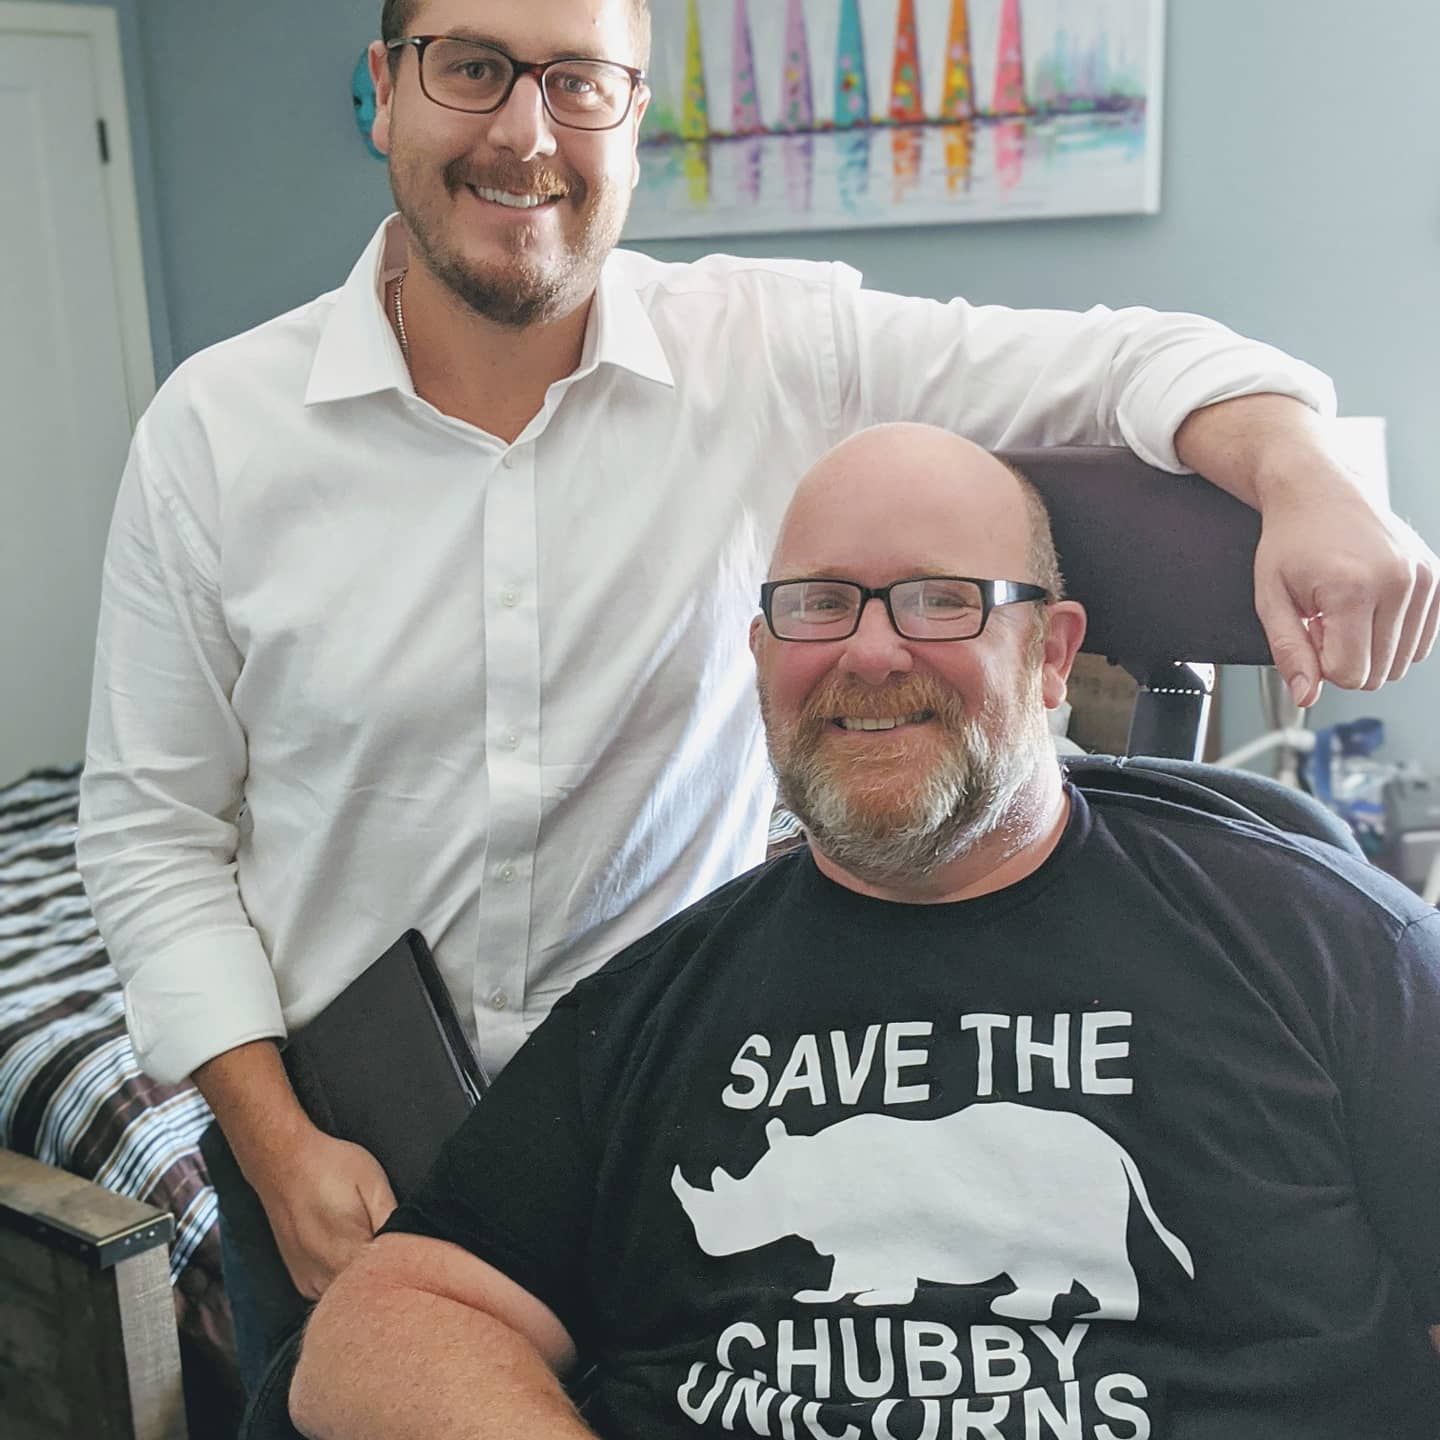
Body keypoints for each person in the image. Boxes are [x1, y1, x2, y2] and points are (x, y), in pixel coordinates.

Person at [78, 0, 1438, 1397]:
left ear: (636, 112)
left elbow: (1137, 361)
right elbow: (150, 831)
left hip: (664, 1111)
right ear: (384, 88)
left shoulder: (774, 350)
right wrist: (273, 1143)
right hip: (331, 1149)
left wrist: (1305, 478)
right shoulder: (216, 433)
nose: (524, 132)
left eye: (577, 83)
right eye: (470, 67)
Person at [291, 424, 1440, 1440]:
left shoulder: (1326, 946)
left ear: (1049, 655)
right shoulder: (647, 1008)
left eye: (942, 598)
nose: (871, 651)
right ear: (763, 660)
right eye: (818, 604)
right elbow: (384, 1328)